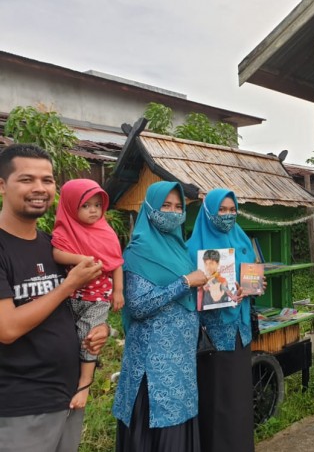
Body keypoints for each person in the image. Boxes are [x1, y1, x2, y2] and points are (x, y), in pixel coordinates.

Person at [0, 144, 108, 452]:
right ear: (2, 185)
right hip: (19, 406)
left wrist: (101, 330)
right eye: (26, 179)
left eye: (47, 180)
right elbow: (6, 329)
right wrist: (65, 285)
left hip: (68, 396)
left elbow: (75, 305)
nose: (40, 188)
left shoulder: (53, 246)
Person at [112, 181, 208, 451]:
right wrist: (185, 283)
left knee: (180, 417)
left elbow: (191, 295)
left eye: (178, 207)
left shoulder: (181, 249)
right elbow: (138, 306)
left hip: (183, 360)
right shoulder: (137, 252)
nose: (173, 212)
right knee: (157, 428)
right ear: (150, 208)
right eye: (165, 205)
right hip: (153, 366)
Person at [187, 188, 256, 452]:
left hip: (241, 333)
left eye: (232, 210)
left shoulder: (242, 240)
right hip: (213, 339)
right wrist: (205, 291)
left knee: (239, 400)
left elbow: (254, 278)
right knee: (217, 401)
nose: (227, 215)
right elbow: (186, 295)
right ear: (207, 211)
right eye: (221, 210)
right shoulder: (193, 248)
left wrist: (246, 289)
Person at [51, 179, 124, 409]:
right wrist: (80, 259)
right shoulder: (65, 230)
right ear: (71, 206)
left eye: (97, 205)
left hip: (98, 297)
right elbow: (57, 253)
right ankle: (68, 378)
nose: (93, 210)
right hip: (70, 296)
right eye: (85, 205)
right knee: (67, 337)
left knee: (89, 336)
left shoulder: (106, 232)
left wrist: (118, 292)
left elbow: (116, 264)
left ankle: (85, 382)